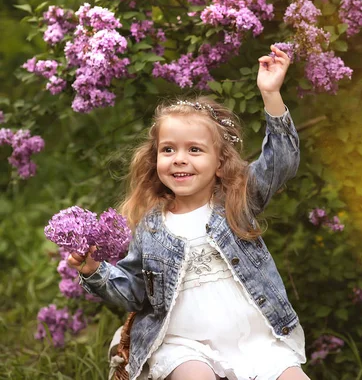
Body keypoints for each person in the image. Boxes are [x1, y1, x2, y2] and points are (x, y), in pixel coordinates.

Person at [67, 46, 310, 380]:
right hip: (185, 344)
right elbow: (135, 291)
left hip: (256, 339)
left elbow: (282, 160)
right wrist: (95, 271)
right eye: (169, 150)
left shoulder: (236, 201)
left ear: (220, 163)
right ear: (156, 159)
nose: (179, 159)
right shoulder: (152, 226)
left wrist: (270, 94)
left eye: (194, 150)